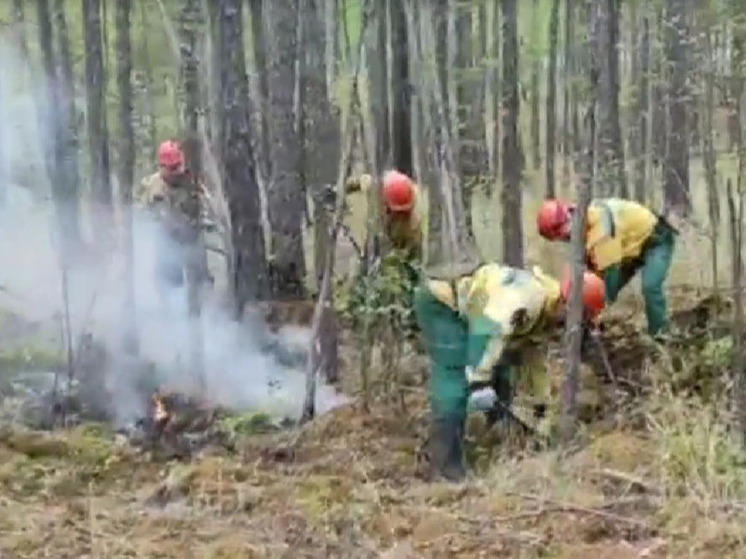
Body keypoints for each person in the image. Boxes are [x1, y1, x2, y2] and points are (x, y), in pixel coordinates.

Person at [346, 170, 606, 482]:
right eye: (578, 319)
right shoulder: (528, 299)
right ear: (569, 304)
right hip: (443, 301)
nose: (574, 328)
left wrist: (541, 411)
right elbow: (488, 329)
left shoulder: (545, 310)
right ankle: (445, 465)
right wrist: (478, 380)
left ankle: (496, 442)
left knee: (505, 375)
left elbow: (531, 359)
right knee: (455, 382)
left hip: (472, 307)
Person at [536, 198, 676, 337]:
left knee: (650, 286)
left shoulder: (602, 232)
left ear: (567, 223)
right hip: (626, 248)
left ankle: (660, 334)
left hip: (655, 240)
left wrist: (593, 312)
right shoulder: (581, 218)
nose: (564, 240)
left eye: (562, 236)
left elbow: (609, 280)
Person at [137, 139, 216, 294]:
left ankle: (202, 297)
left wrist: (206, 218)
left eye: (177, 167)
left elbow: (206, 201)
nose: (175, 173)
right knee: (170, 280)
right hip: (167, 239)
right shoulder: (153, 186)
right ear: (162, 167)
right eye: (171, 168)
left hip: (192, 235)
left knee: (199, 277)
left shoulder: (191, 180)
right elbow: (144, 212)